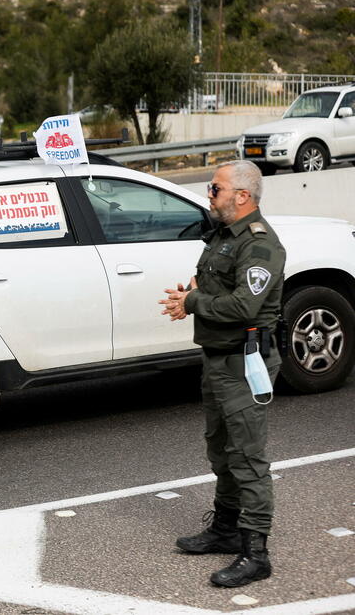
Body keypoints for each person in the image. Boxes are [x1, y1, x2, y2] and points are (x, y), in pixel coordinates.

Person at [159, 159, 286, 588]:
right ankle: (226, 530)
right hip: (216, 359)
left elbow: (243, 307)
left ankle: (256, 553)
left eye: (215, 189)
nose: (208, 195)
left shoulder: (261, 245)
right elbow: (208, 285)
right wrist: (189, 296)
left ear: (242, 196)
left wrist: (192, 304)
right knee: (220, 450)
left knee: (247, 458)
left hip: (244, 362)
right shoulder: (222, 237)